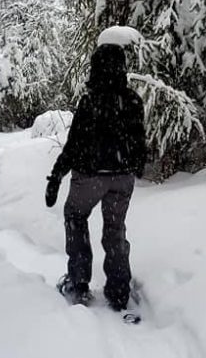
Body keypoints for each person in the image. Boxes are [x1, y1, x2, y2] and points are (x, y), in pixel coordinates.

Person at [45, 43, 146, 311]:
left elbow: (74, 144)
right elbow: (140, 143)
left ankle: (78, 284)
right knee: (115, 230)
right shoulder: (133, 101)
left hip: (90, 177)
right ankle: (118, 289)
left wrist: (56, 176)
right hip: (122, 177)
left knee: (76, 217)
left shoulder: (90, 102)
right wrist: (136, 166)